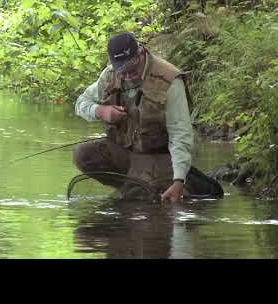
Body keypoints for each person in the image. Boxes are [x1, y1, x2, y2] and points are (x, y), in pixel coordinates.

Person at [74, 32, 194, 203]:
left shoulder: (170, 80)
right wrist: (101, 111)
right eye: (122, 71)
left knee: (147, 205)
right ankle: (132, 187)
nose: (128, 76)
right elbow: (81, 103)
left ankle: (144, 186)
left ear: (140, 54)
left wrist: (179, 180)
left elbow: (180, 134)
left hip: (158, 157)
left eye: (132, 69)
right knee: (83, 155)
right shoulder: (109, 75)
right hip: (125, 152)